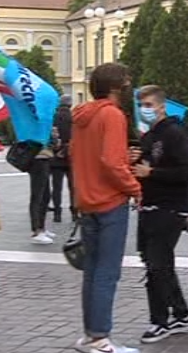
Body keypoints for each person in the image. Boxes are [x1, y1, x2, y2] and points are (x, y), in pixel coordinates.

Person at [71, 63, 142, 353]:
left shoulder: (82, 116)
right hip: (110, 200)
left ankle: (90, 335)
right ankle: (100, 337)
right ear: (116, 86)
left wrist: (121, 158)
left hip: (87, 199)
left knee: (92, 271)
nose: (129, 85)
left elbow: (83, 154)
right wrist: (135, 188)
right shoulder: (112, 115)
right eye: (126, 80)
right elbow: (111, 162)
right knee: (107, 272)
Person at [131, 86, 188, 344]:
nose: (144, 110)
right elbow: (144, 165)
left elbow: (183, 173)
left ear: (161, 105)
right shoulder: (150, 136)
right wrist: (136, 158)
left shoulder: (174, 133)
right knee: (157, 264)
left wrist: (152, 174)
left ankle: (159, 320)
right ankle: (180, 313)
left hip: (168, 208)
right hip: (149, 206)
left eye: (148, 105)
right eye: (141, 105)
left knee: (157, 267)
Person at [50, 96, 75, 223]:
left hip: (55, 157)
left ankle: (57, 213)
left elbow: (50, 136)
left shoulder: (53, 118)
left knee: (56, 186)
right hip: (71, 157)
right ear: (70, 105)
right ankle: (74, 212)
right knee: (73, 187)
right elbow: (76, 138)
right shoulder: (74, 118)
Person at [28, 140, 55, 245]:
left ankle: (42, 227)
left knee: (45, 196)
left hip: (45, 158)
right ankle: (36, 231)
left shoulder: (44, 126)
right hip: (38, 159)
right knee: (38, 196)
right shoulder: (36, 128)